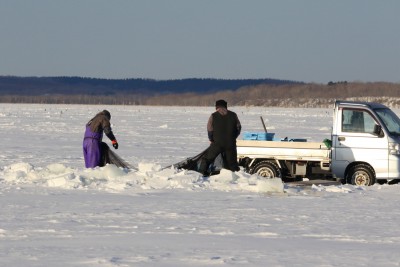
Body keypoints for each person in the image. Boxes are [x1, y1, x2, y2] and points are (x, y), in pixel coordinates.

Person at [199, 99, 242, 176]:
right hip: (230, 144)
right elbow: (238, 128)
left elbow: (210, 129)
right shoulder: (233, 115)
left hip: (217, 143)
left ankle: (201, 173)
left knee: (207, 159)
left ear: (217, 107)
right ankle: (235, 177)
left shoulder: (213, 116)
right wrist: (233, 137)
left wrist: (211, 139)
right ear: (226, 106)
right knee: (232, 163)